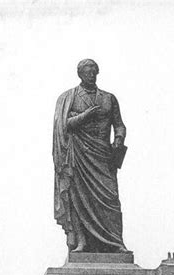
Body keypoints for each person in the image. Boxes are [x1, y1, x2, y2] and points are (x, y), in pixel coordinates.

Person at [53, 59, 128, 253]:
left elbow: (119, 124)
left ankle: (116, 241)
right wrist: (85, 116)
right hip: (79, 154)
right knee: (78, 198)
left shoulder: (108, 98)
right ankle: (81, 241)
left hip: (103, 155)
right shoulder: (69, 97)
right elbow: (64, 125)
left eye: (94, 71)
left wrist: (118, 138)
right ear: (80, 74)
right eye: (87, 72)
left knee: (110, 199)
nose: (91, 75)